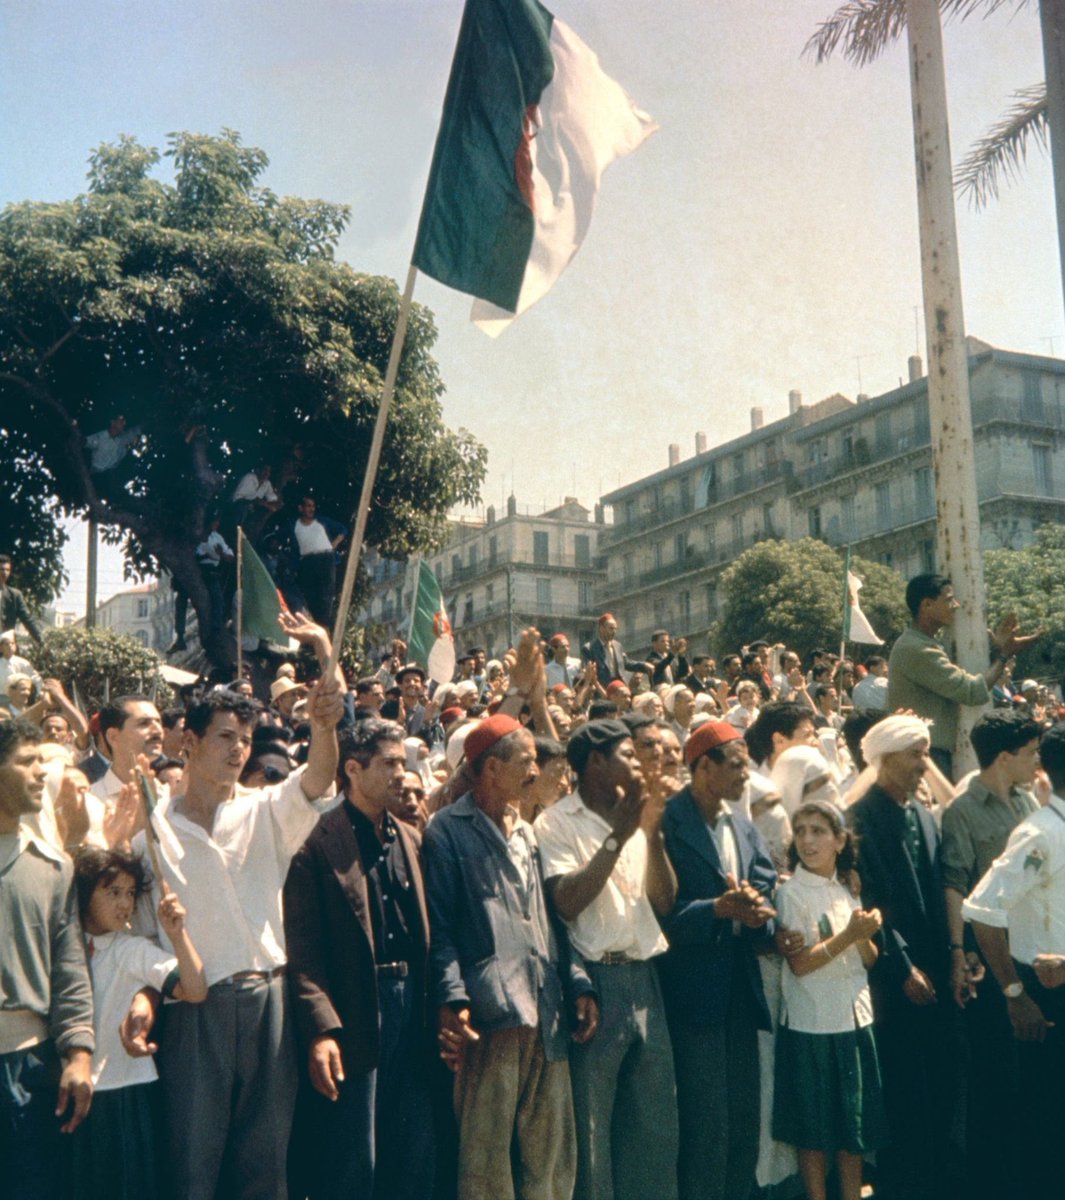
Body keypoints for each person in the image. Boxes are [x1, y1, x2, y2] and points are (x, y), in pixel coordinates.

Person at [131, 623, 343, 1200]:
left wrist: (324, 721)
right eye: (224, 736)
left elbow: (320, 776)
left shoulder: (266, 810)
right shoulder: (149, 835)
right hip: (194, 1013)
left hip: (269, 1004)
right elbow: (143, 941)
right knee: (192, 1166)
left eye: (245, 740)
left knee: (266, 1167)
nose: (237, 750)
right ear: (189, 744)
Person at [423, 713, 598, 1200]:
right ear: (491, 769)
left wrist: (579, 983)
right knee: (486, 1163)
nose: (535, 772)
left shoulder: (527, 831)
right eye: (525, 762)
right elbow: (440, 929)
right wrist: (453, 998)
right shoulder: (446, 832)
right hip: (490, 1017)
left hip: (547, 1011)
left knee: (550, 1158)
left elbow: (552, 920)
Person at [284, 719, 434, 1200]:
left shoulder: (409, 838)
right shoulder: (315, 842)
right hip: (356, 1008)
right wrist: (321, 1030)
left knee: (410, 1151)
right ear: (352, 768)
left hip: (413, 1007)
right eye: (389, 763)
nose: (400, 773)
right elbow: (303, 949)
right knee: (354, 1157)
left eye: (402, 763)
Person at [534, 721, 679, 1200]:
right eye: (627, 753)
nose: (638, 763)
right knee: (593, 1134)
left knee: (654, 1130)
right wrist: (618, 836)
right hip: (595, 987)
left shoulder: (634, 817)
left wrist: (651, 836)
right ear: (594, 760)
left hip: (646, 979)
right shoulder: (554, 822)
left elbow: (663, 901)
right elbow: (567, 902)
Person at [658, 721, 777, 1200]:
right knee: (706, 1125)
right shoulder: (666, 822)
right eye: (735, 766)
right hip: (691, 993)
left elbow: (767, 888)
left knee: (742, 1121)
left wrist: (757, 912)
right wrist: (717, 910)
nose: (745, 776)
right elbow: (657, 916)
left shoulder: (742, 825)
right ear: (702, 767)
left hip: (739, 993)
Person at [847, 714, 961, 1200]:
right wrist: (901, 965)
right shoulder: (860, 818)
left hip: (936, 966)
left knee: (938, 1078)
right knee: (902, 1085)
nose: (923, 765)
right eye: (916, 754)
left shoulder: (919, 813)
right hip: (892, 976)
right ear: (886, 757)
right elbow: (867, 900)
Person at [940, 710, 1042, 1200]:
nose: (1038, 761)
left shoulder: (1027, 801)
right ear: (1005, 758)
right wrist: (959, 950)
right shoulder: (963, 810)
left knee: (1028, 1083)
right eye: (1030, 752)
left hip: (1029, 956)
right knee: (993, 1081)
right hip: (989, 958)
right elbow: (955, 882)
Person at [962, 722, 1065, 1200]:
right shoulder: (1041, 834)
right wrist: (1014, 992)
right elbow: (982, 909)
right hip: (1047, 998)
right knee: (1048, 1128)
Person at [70, 846, 207, 1199]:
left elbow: (194, 988)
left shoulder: (131, 950)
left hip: (126, 1092)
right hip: (76, 1090)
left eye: (130, 893)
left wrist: (177, 935)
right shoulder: (65, 947)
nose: (124, 903)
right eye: (112, 892)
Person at [773, 800, 887, 1200]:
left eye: (818, 831)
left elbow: (868, 959)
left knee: (850, 1126)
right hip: (812, 1023)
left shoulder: (846, 887)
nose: (807, 839)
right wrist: (849, 936)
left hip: (853, 1018)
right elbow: (801, 964)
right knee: (813, 1129)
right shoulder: (791, 893)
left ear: (840, 841)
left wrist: (866, 934)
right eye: (800, 830)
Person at [0, 718, 94, 1199]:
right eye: (26, 761)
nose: (42, 772)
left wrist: (78, 1053)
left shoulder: (53, 867)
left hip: (28, 1069)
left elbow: (69, 968)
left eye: (44, 761)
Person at [887, 573, 1041, 779]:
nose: (956, 605)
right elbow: (971, 691)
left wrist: (997, 650)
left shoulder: (920, 644)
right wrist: (1005, 653)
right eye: (949, 599)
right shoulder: (916, 649)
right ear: (927, 605)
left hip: (923, 752)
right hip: (923, 756)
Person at [88, 696, 164, 848]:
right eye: (144, 723)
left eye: (159, 721)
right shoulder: (92, 801)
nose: (157, 730)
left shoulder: (169, 796)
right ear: (113, 736)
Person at [285, 495, 346, 627]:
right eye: (308, 506)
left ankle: (324, 627)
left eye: (313, 506)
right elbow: (294, 549)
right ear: (301, 508)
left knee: (326, 596)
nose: (311, 509)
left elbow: (342, 530)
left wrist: (332, 546)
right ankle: (314, 629)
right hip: (307, 561)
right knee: (311, 596)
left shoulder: (321, 521)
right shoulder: (294, 525)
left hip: (325, 559)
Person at [581, 613, 637, 686]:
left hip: (618, 688)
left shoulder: (618, 646)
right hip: (601, 689)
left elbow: (626, 663)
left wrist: (644, 666)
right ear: (601, 628)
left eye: (615, 629)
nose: (614, 632)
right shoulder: (589, 648)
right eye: (611, 628)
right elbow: (589, 673)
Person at [0, 557, 43, 644]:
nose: (4, 573)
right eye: (1, 569)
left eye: (7, 570)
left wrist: (41, 640)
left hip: (6, 649)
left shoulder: (15, 596)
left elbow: (28, 619)